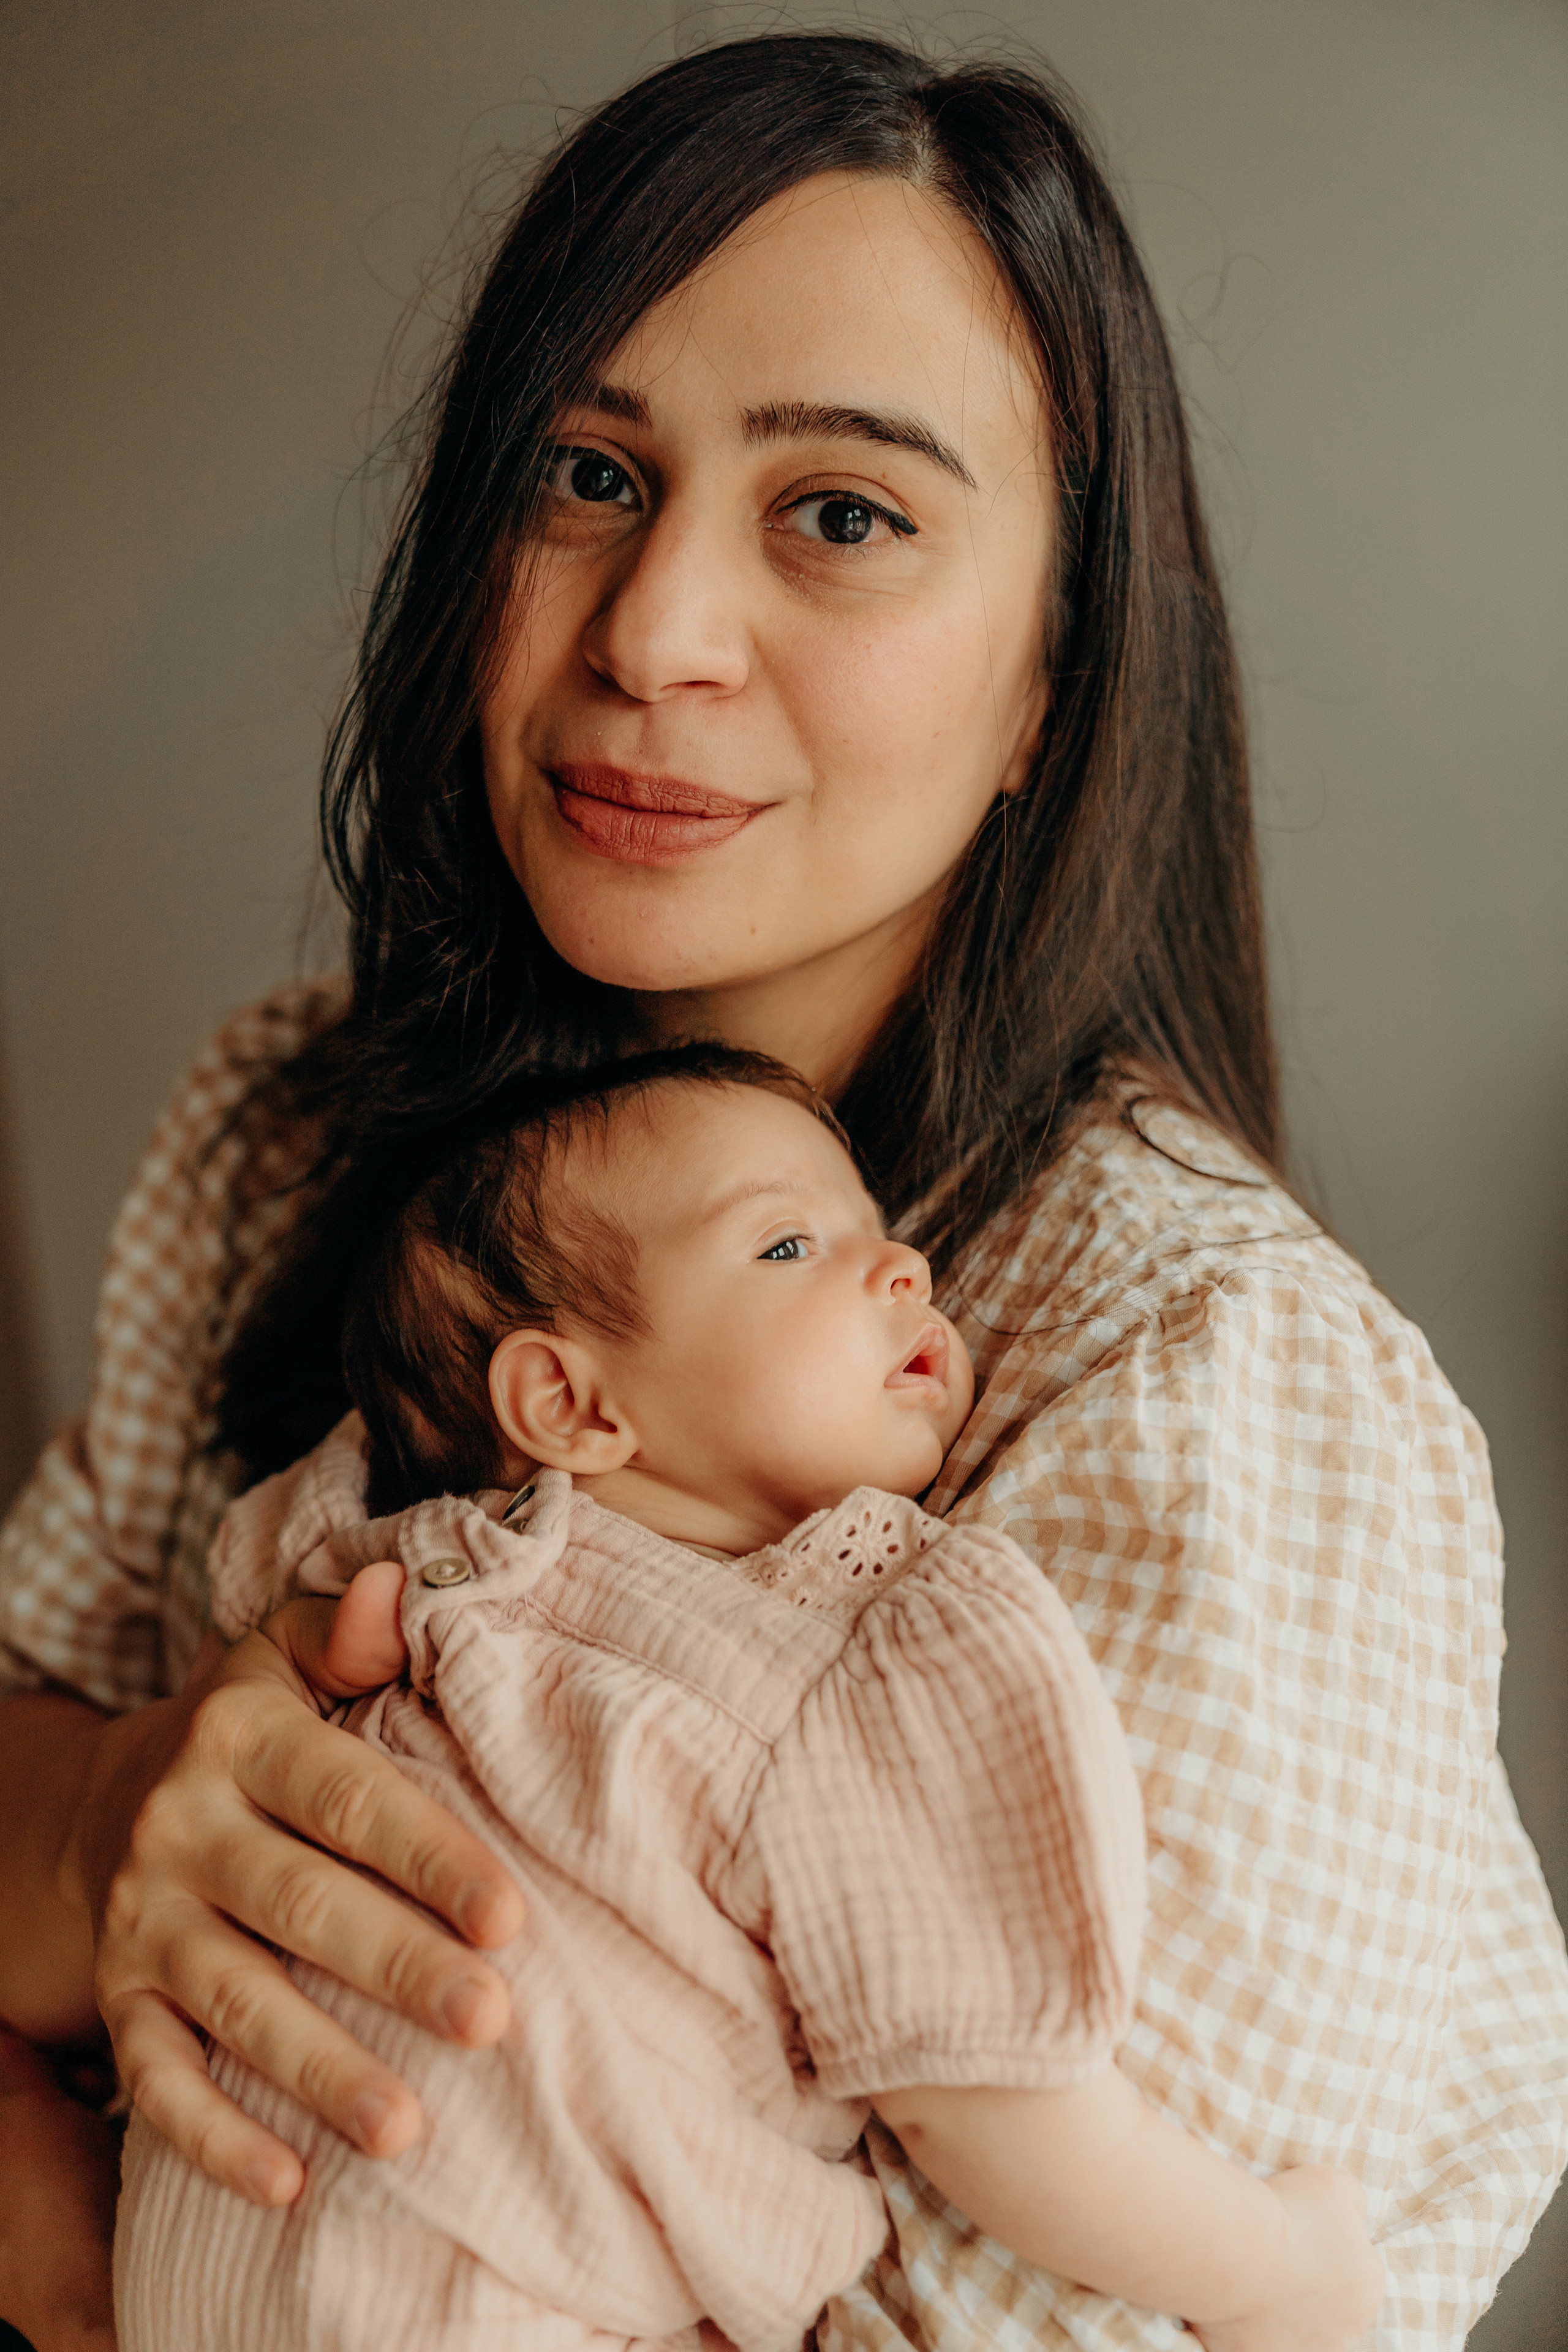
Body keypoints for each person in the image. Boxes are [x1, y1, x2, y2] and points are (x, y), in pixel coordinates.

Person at [0, 31, 1563, 2351]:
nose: (650, 635)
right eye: (584, 472)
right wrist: (116, 1825)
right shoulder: (291, 1137)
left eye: (841, 513)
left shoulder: (1211, 1391)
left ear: (1053, 670)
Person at [114, 1048, 1382, 2349]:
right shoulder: (836, 1677)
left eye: (883, 1237)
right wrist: (1266, 2267)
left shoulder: (363, 1559)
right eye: (788, 1246)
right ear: (566, 1401)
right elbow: (990, 2106)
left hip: (196, 2273)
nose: (903, 1270)